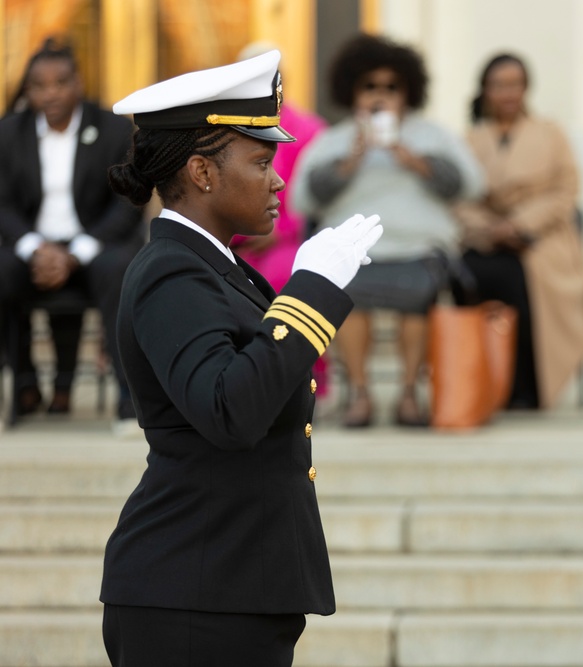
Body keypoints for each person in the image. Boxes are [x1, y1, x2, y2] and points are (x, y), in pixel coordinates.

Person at [99, 51, 383, 665]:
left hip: (226, 584)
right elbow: (230, 408)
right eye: (261, 161)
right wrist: (310, 293)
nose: (279, 179)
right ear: (202, 172)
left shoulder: (215, 266)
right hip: (192, 597)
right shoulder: (171, 272)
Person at [290, 33, 484, 428]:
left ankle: (410, 396)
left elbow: (470, 185)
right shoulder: (336, 140)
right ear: (353, 91)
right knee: (347, 298)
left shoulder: (431, 135)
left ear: (408, 92)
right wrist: (352, 160)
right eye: (370, 87)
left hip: (418, 250)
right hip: (357, 255)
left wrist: (413, 159)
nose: (380, 95)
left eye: (391, 87)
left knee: (417, 298)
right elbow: (303, 197)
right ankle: (359, 396)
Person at [0, 38, 143, 419]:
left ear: (78, 83)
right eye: (40, 86)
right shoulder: (9, 133)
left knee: (121, 269)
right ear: (28, 90)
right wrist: (34, 247)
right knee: (2, 271)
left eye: (60, 82)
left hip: (94, 246)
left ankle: (129, 398)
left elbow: (129, 201)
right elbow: (3, 204)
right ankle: (25, 386)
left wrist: (75, 252)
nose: (51, 93)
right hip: (32, 247)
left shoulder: (112, 130)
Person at [453, 53, 583, 411]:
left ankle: (526, 387)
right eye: (499, 85)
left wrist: (520, 224)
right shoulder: (471, 139)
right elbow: (458, 198)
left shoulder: (550, 134)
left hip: (543, 239)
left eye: (515, 84)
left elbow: (566, 189)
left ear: (525, 88)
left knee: (521, 280)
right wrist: (491, 228)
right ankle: (480, 379)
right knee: (466, 275)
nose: (508, 93)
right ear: (485, 91)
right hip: (486, 238)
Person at [231, 42, 330, 395]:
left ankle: (307, 382)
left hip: (289, 239)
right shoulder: (227, 127)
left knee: (284, 278)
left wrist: (278, 231)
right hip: (234, 239)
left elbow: (317, 202)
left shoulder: (311, 130)